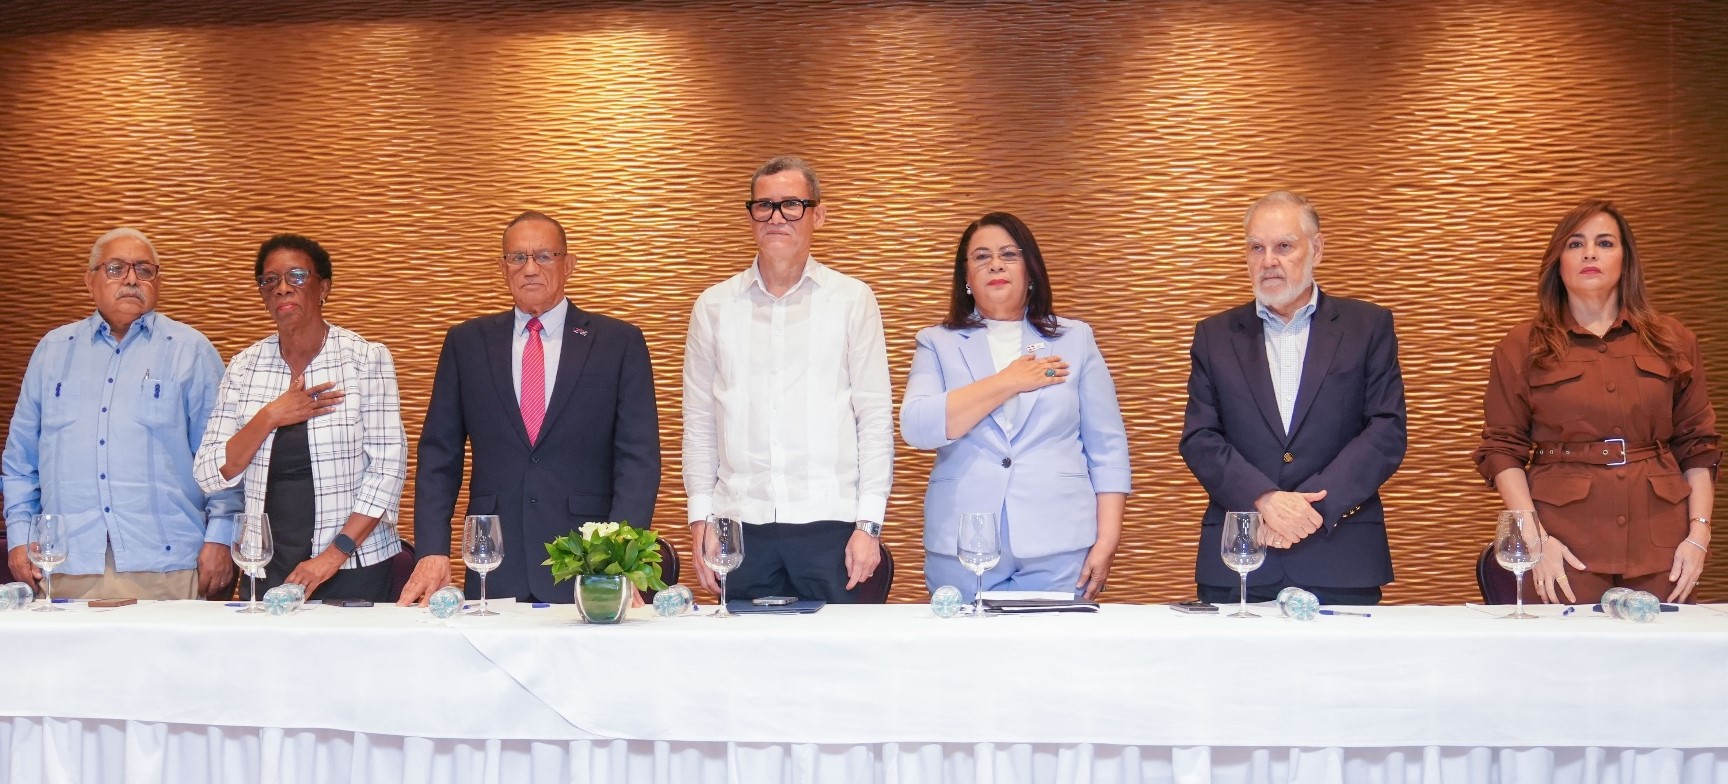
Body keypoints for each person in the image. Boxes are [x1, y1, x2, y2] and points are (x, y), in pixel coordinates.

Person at [398, 211, 659, 605]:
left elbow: (637, 458)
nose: (530, 268)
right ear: (503, 268)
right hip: (493, 559)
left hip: (588, 560)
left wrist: (619, 554)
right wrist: (432, 549)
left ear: (569, 265)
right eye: (518, 258)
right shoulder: (467, 343)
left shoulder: (617, 343)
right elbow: (439, 455)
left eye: (544, 256)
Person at [1473, 200, 1717, 604]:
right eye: (1575, 244)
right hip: (1561, 544)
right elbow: (1502, 449)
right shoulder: (1521, 346)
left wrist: (1698, 534)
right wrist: (1536, 540)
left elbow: (1698, 445)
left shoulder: (1674, 340)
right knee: (1564, 647)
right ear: (1558, 262)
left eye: (1604, 243)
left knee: (1662, 647)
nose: (1590, 253)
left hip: (1662, 544)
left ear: (1626, 259)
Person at [1179, 191, 1407, 605]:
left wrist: (1308, 508)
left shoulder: (1368, 326)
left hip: (1340, 555)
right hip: (1241, 555)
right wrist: (1264, 499)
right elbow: (1200, 438)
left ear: (1316, 249)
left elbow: (1385, 432)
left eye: (1284, 246)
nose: (1268, 261)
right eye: (1256, 248)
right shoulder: (1215, 335)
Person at [683, 155, 891, 604]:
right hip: (737, 523)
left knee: (836, 649)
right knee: (739, 650)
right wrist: (701, 520)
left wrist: (868, 525)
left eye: (792, 205)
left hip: (831, 522)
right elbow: (699, 423)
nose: (776, 217)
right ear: (751, 216)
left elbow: (874, 418)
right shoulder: (714, 306)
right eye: (764, 206)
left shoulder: (852, 300)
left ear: (819, 214)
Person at [900, 212, 1130, 601]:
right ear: (966, 277)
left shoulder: (1075, 339)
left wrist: (1107, 539)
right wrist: (1009, 380)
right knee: (964, 643)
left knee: (1050, 643)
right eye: (981, 257)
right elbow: (918, 427)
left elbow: (1107, 448)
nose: (996, 264)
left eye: (1009, 254)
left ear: (1031, 271)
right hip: (962, 545)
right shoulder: (937, 342)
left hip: (1058, 544)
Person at [3, 228, 241, 600]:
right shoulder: (52, 351)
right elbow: (20, 462)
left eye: (144, 270)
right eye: (116, 268)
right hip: (65, 564)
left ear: (157, 282)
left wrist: (221, 537)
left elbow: (223, 459)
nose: (131, 279)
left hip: (168, 566)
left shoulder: (191, 350)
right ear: (90, 280)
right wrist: (19, 536)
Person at [193, 234, 407, 601]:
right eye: (269, 280)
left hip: (354, 562)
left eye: (296, 276)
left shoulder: (364, 360)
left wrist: (331, 557)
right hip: (266, 563)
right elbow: (209, 472)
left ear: (323, 288)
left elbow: (387, 471)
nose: (282, 288)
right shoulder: (244, 367)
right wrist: (269, 416)